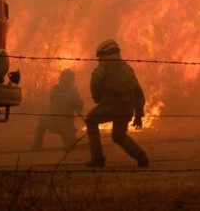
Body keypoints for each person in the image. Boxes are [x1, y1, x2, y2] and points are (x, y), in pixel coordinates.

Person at [83, 39, 149, 168]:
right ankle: (141, 156)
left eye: (99, 56)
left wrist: (97, 98)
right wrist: (138, 115)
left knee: (91, 120)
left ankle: (97, 159)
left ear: (103, 54)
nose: (99, 59)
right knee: (119, 136)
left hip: (110, 107)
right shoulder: (128, 68)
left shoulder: (103, 66)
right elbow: (138, 92)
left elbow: (95, 83)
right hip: (127, 109)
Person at [31, 68, 84, 150]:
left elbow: (52, 104)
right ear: (71, 79)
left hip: (52, 123)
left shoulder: (54, 89)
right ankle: (70, 139)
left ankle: (37, 144)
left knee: (41, 121)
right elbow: (79, 108)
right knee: (71, 147)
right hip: (66, 126)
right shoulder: (73, 90)